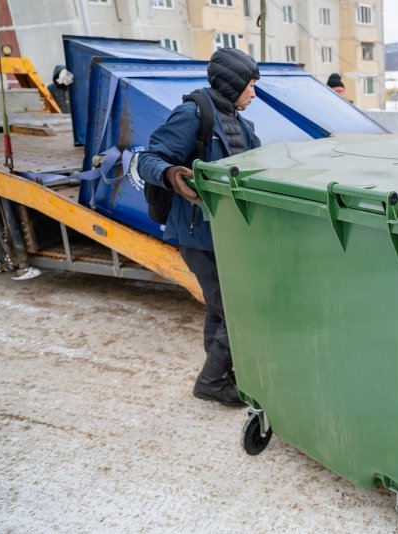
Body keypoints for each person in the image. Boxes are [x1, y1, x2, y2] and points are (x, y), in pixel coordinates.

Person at [137, 47, 261, 407]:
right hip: (197, 233)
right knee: (237, 310)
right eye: (250, 85)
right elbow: (147, 158)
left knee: (220, 308)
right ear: (233, 84)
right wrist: (171, 173)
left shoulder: (240, 123)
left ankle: (222, 373)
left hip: (229, 234)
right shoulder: (194, 113)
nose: (253, 93)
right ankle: (210, 382)